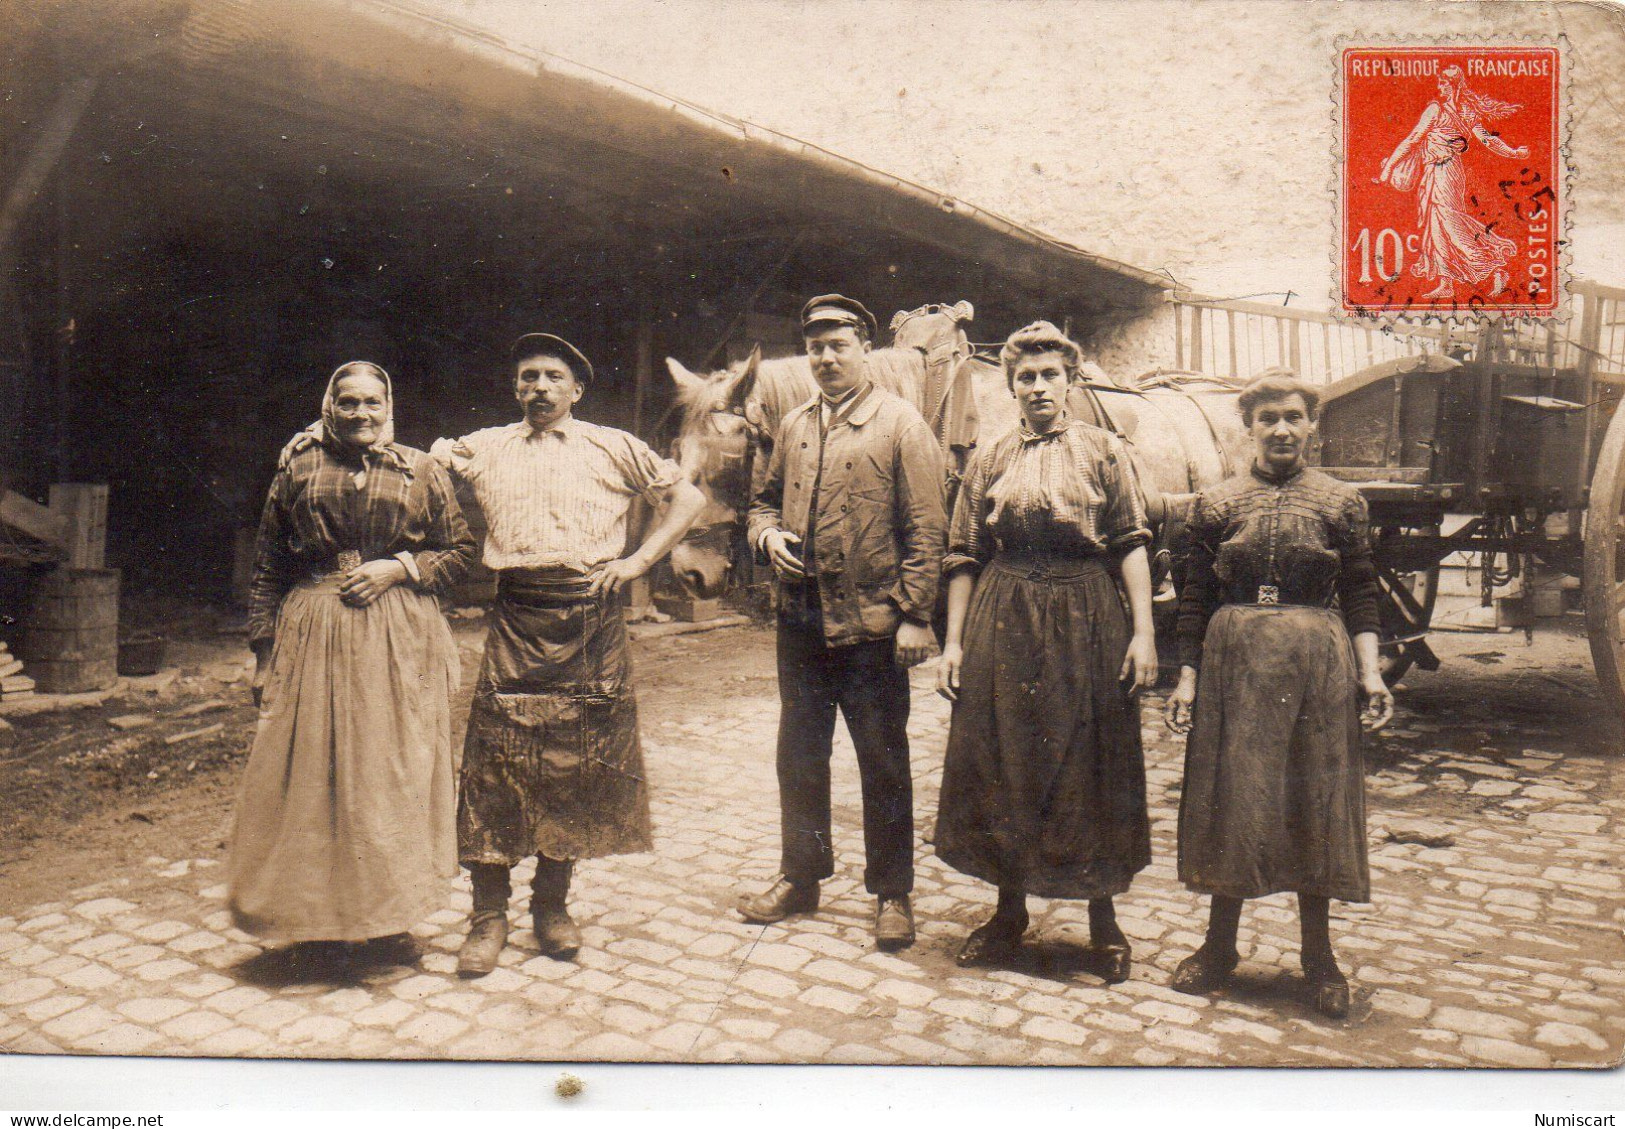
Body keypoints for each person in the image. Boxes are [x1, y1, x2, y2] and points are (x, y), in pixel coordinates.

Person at [432, 333, 705, 977]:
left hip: (591, 617)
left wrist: (639, 561)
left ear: (576, 390)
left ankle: (552, 907)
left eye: (553, 377)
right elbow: (423, 461)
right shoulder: (485, 445)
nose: (540, 389)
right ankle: (487, 916)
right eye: (528, 377)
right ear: (516, 387)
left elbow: (687, 499)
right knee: (495, 765)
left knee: (573, 765)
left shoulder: (613, 445)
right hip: (517, 614)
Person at [1164, 370, 1394, 1019]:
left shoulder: (1340, 502)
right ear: (1250, 426)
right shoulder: (1215, 503)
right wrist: (1187, 675)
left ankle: (1317, 960)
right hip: (1234, 659)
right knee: (1234, 798)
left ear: (1310, 423)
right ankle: (1217, 948)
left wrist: (1368, 672)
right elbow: (1192, 598)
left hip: (1314, 663)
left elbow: (1360, 592)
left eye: (1293, 416)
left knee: (1311, 801)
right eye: (1268, 418)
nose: (1282, 429)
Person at [231, 361, 475, 964]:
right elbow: (268, 564)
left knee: (389, 773)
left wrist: (401, 567)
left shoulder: (421, 468)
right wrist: (263, 656)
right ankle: (310, 923)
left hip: (398, 636)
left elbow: (461, 551)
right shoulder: (299, 463)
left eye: (372, 402)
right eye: (348, 403)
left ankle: (390, 919)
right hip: (313, 631)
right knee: (310, 775)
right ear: (329, 405)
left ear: (387, 405)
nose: (360, 414)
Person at [933, 322, 1157, 977]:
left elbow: (1132, 542)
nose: (1037, 387)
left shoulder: (1104, 451)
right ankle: (1008, 913)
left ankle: (1102, 921)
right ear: (1010, 385)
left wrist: (1142, 632)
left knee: (1091, 763)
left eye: (1048, 375)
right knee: (1005, 759)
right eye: (1025, 377)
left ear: (1069, 381)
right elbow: (963, 553)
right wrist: (952, 642)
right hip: (1003, 615)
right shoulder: (991, 455)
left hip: (1086, 610)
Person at [742, 294, 946, 950]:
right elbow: (761, 502)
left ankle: (892, 891)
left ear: (863, 348)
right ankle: (800, 876)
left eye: (838, 345)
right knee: (798, 755)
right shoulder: (796, 423)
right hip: (799, 620)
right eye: (815, 347)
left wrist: (916, 615)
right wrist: (766, 535)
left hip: (872, 625)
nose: (826, 358)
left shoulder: (900, 422)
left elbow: (926, 526)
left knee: (881, 759)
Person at [1376, 64, 1529, 301]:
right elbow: (1487, 140)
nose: (1439, 87)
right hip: (1437, 172)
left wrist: (1388, 167)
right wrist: (1514, 152)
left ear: (1453, 85)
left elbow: (1414, 138)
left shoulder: (1439, 110)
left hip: (1445, 172)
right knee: (1436, 227)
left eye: (1443, 83)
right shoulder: (1462, 110)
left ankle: (1495, 269)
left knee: (1452, 225)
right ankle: (1446, 282)